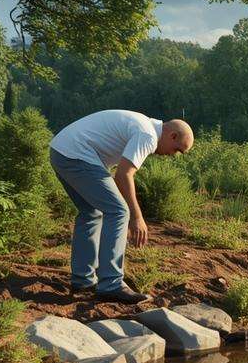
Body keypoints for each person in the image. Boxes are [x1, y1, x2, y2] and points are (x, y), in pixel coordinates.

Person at [48, 110, 194, 303]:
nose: (173, 155)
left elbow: (118, 174)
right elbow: (124, 175)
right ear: (172, 136)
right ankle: (111, 284)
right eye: (177, 150)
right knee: (119, 211)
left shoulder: (144, 124)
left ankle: (83, 279)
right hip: (76, 155)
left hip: (61, 151)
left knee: (91, 212)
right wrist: (137, 217)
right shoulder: (148, 135)